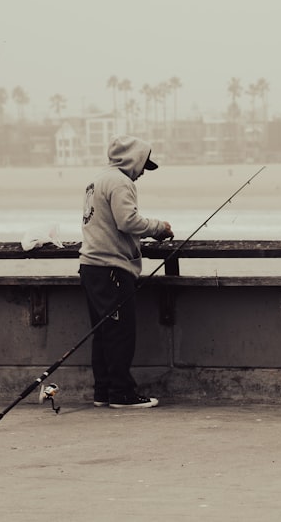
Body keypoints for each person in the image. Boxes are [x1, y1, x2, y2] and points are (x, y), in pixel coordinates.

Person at [79, 135, 173, 408]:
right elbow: (127, 220)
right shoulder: (121, 182)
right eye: (143, 165)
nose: (143, 172)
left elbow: (109, 223)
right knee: (120, 333)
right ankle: (122, 394)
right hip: (111, 270)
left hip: (91, 266)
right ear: (133, 160)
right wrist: (159, 228)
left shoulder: (97, 179)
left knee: (103, 332)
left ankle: (104, 391)